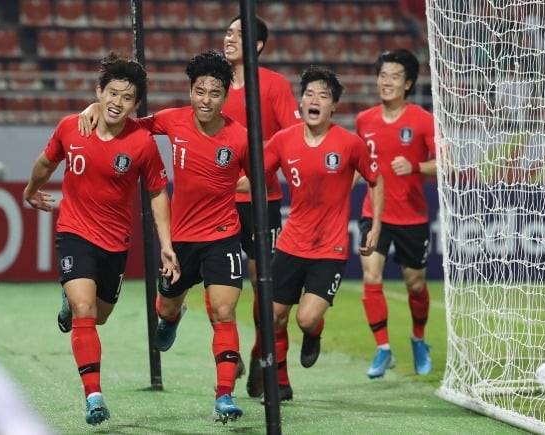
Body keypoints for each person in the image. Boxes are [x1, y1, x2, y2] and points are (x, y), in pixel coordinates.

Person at [78, 49, 249, 424]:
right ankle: (170, 317)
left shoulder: (240, 136)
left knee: (223, 312)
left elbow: (262, 178)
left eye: (215, 93)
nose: (206, 99)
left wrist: (230, 185)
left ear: (226, 95)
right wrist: (93, 106)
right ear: (190, 91)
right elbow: (127, 122)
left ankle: (224, 396)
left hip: (223, 236)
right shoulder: (172, 120)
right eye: (200, 91)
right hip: (181, 240)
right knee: (167, 307)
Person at [23, 52, 179, 426]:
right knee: (85, 311)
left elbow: (157, 192)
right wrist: (31, 190)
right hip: (74, 231)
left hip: (115, 241)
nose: (116, 103)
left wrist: (167, 246)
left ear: (136, 105)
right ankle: (94, 396)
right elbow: (47, 162)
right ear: (99, 91)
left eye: (127, 98)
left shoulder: (141, 142)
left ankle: (72, 301)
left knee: (100, 315)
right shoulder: (71, 127)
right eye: (110, 94)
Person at [239, 66, 383, 401]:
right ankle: (282, 384)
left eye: (323, 96)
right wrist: (218, 185)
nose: (314, 100)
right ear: (301, 102)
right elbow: (256, 177)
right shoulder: (283, 140)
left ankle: (314, 332)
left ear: (334, 107)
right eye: (309, 94)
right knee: (272, 316)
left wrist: (374, 226)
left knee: (304, 319)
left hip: (329, 249)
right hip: (291, 243)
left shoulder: (349, 143)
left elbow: (375, 180)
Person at [218, 14, 302, 398]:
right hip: (215, 202)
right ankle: (229, 354)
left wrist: (256, 173)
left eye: (238, 33)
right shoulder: (212, 86)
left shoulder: (273, 85)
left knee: (261, 287)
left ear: (257, 45)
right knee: (220, 283)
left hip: (260, 201)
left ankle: (259, 359)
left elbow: (293, 138)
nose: (229, 37)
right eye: (228, 31)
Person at [355, 49, 436, 379]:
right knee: (371, 277)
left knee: (415, 284)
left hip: (412, 216)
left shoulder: (422, 119)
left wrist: (416, 166)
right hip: (373, 213)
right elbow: (358, 164)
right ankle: (383, 349)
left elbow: (447, 161)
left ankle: (418, 340)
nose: (386, 82)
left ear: (408, 83)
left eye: (394, 77)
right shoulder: (364, 120)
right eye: (383, 75)